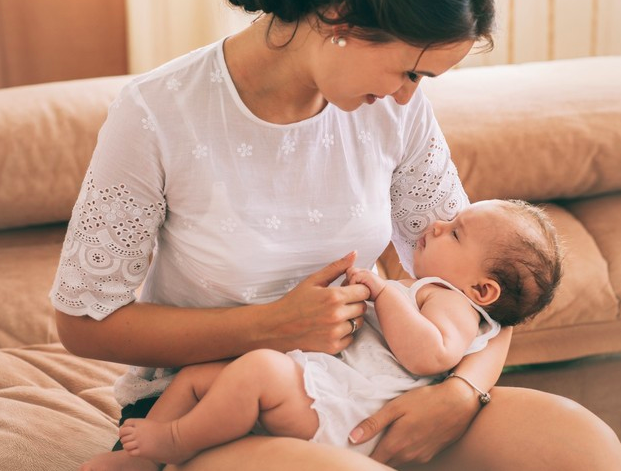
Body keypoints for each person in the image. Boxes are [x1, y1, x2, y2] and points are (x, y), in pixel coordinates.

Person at [49, 1, 621, 470]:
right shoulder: (157, 113)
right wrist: (268, 327)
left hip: (366, 390)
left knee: (584, 449)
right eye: (410, 71)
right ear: (340, 17)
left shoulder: (396, 112)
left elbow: (482, 289)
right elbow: (83, 324)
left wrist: (459, 393)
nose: (408, 96)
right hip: (214, 403)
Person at [115, 198, 561, 466]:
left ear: (483, 289)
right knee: (197, 376)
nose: (437, 223)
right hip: (323, 384)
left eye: (456, 233)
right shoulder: (436, 290)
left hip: (346, 409)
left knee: (256, 372)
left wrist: (383, 293)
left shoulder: (452, 301)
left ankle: (174, 443)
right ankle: (138, 462)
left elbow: (433, 355)